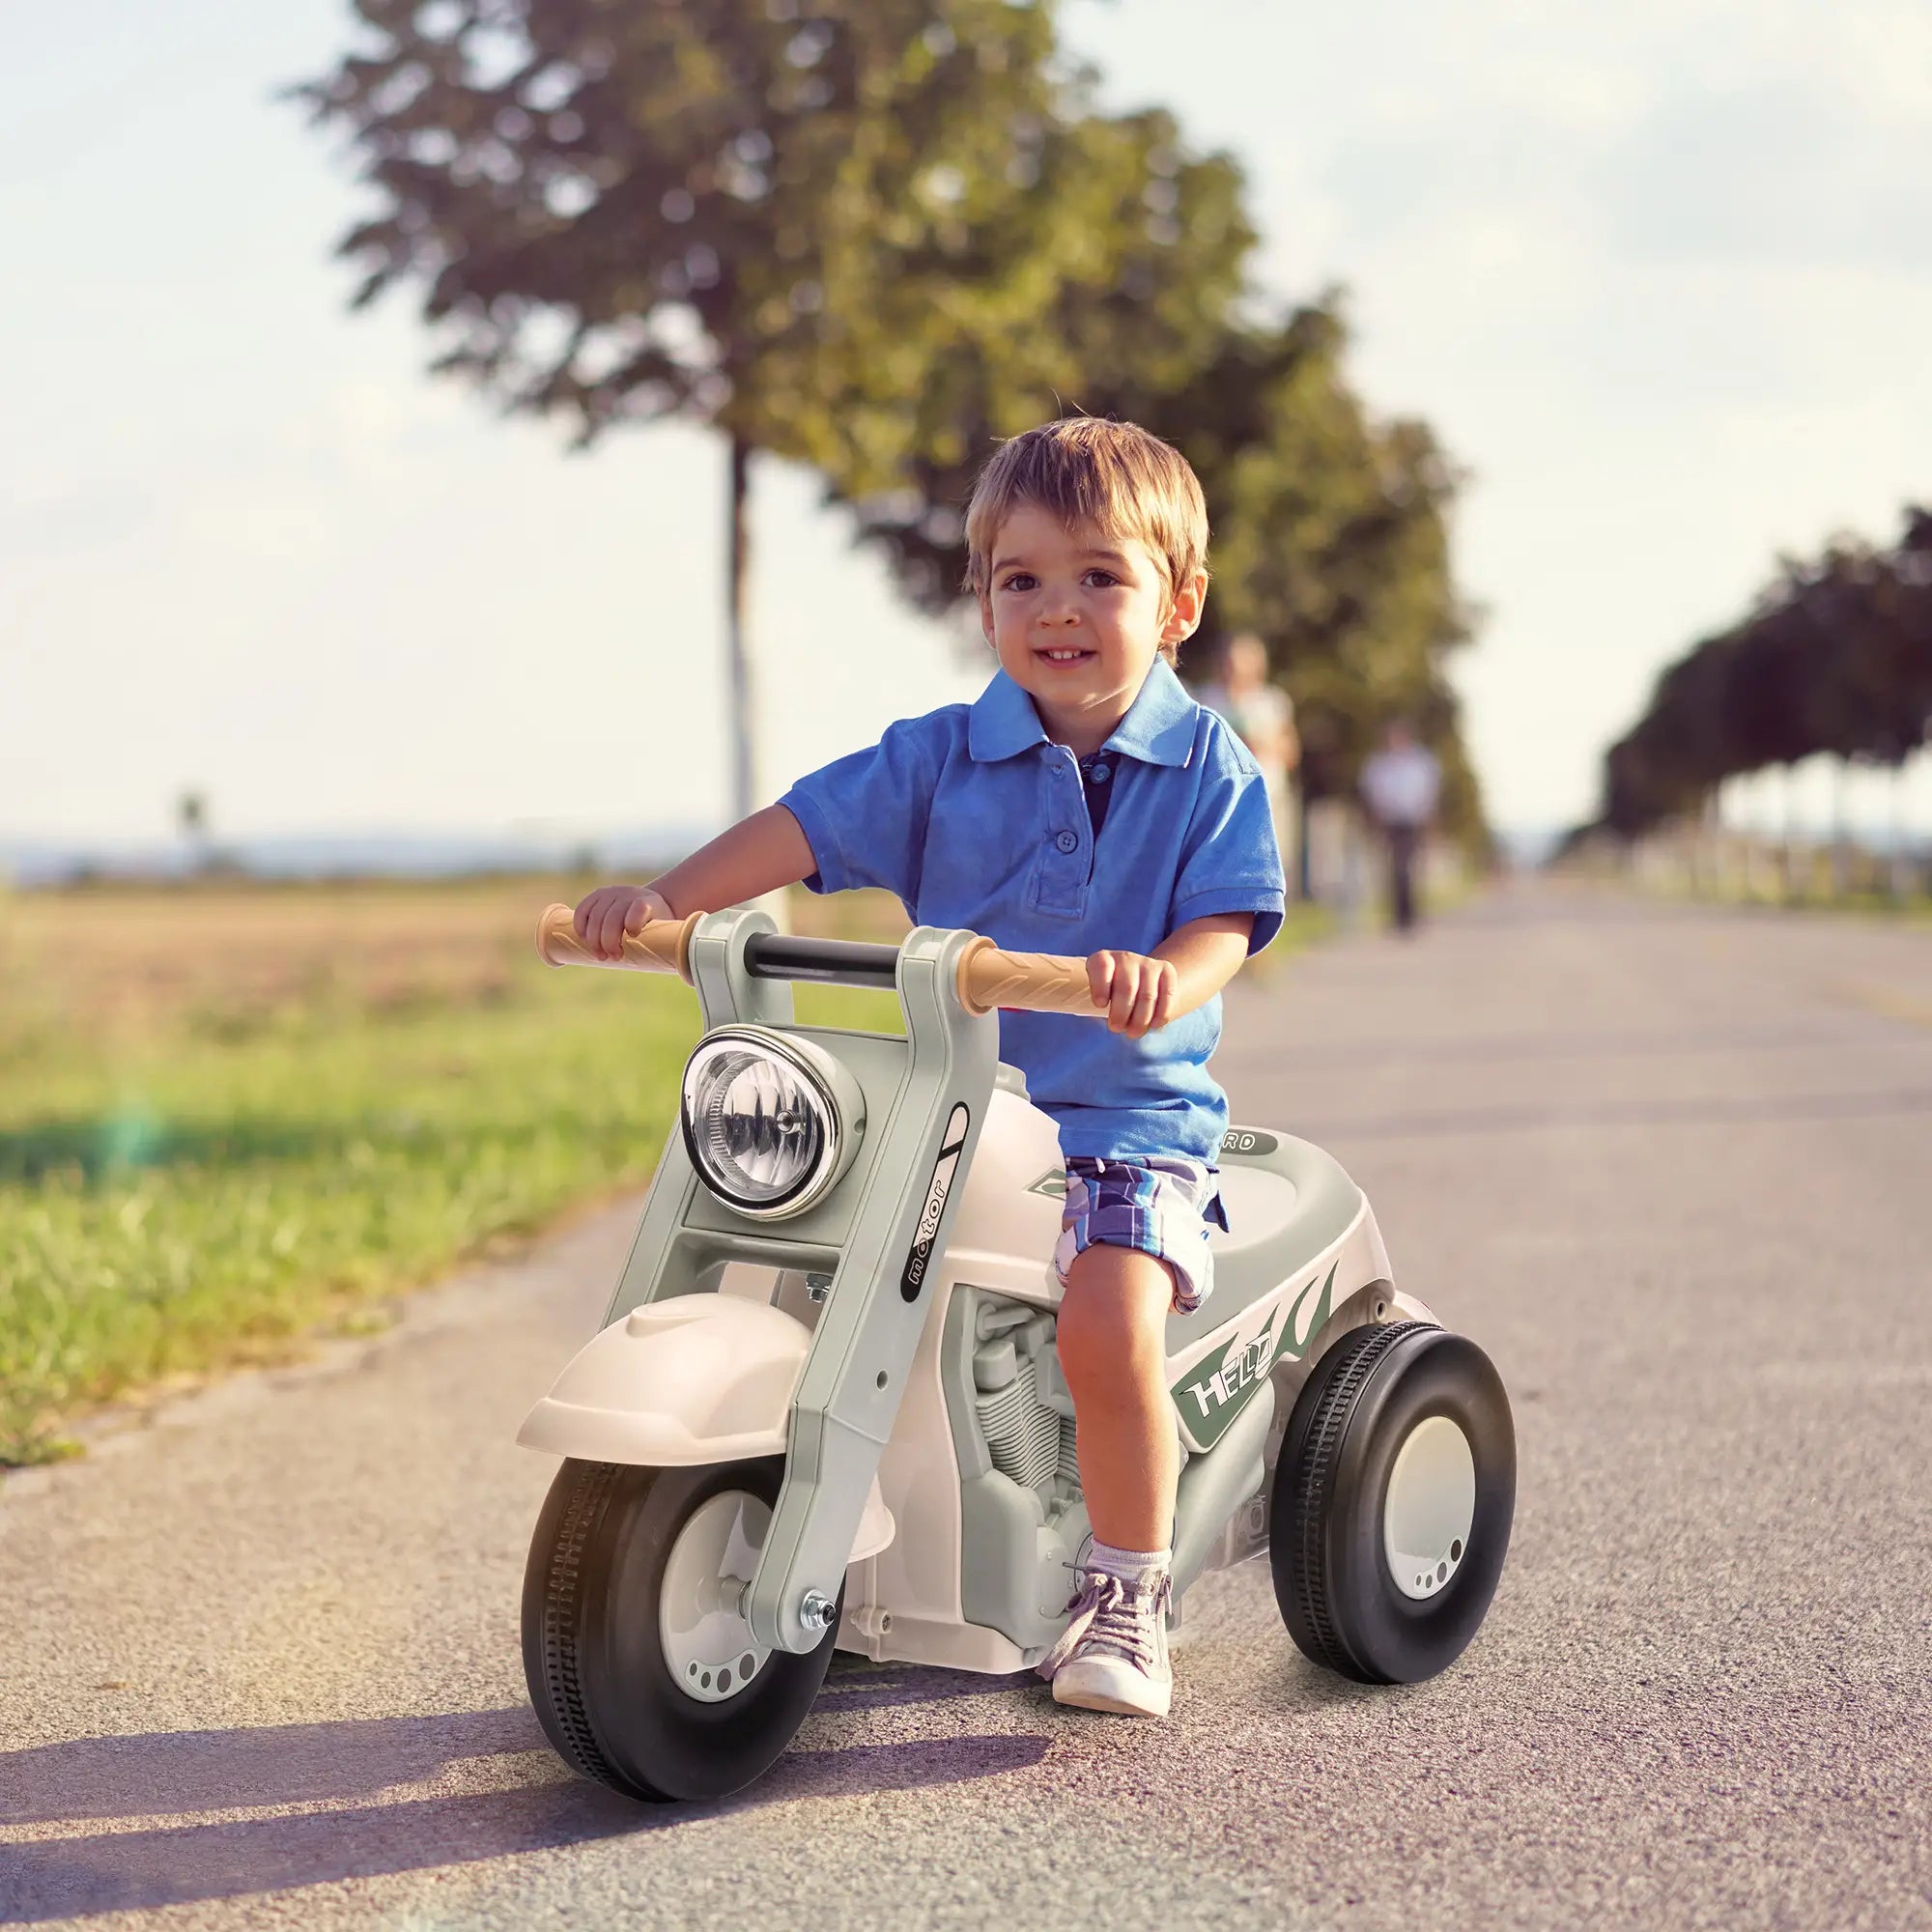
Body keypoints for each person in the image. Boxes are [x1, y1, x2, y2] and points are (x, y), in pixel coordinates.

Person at [574, 416, 1285, 1720]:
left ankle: (1129, 1587)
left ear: (1177, 604)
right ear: (983, 600)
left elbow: (1226, 924)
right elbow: (801, 826)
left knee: (1106, 1315)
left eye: (1099, 578)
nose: (1056, 609)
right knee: (805, 1249)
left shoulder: (1210, 772)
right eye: (1021, 580)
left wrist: (1166, 979)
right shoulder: (940, 756)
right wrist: (665, 901)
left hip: (1122, 1116)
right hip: (948, 1101)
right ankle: (826, 1508)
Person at [1192, 633, 1299, 893]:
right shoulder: (1204, 698)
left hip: (1268, 795)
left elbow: (1291, 752)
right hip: (1218, 797)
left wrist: (1263, 743)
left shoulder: (1272, 701)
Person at [1359, 719, 1441, 932]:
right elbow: (1372, 793)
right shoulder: (1379, 764)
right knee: (1394, 868)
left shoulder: (1421, 763)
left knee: (1409, 867)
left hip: (1413, 821)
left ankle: (1411, 913)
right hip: (1390, 821)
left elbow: (1429, 792)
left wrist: (1427, 817)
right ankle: (1399, 915)